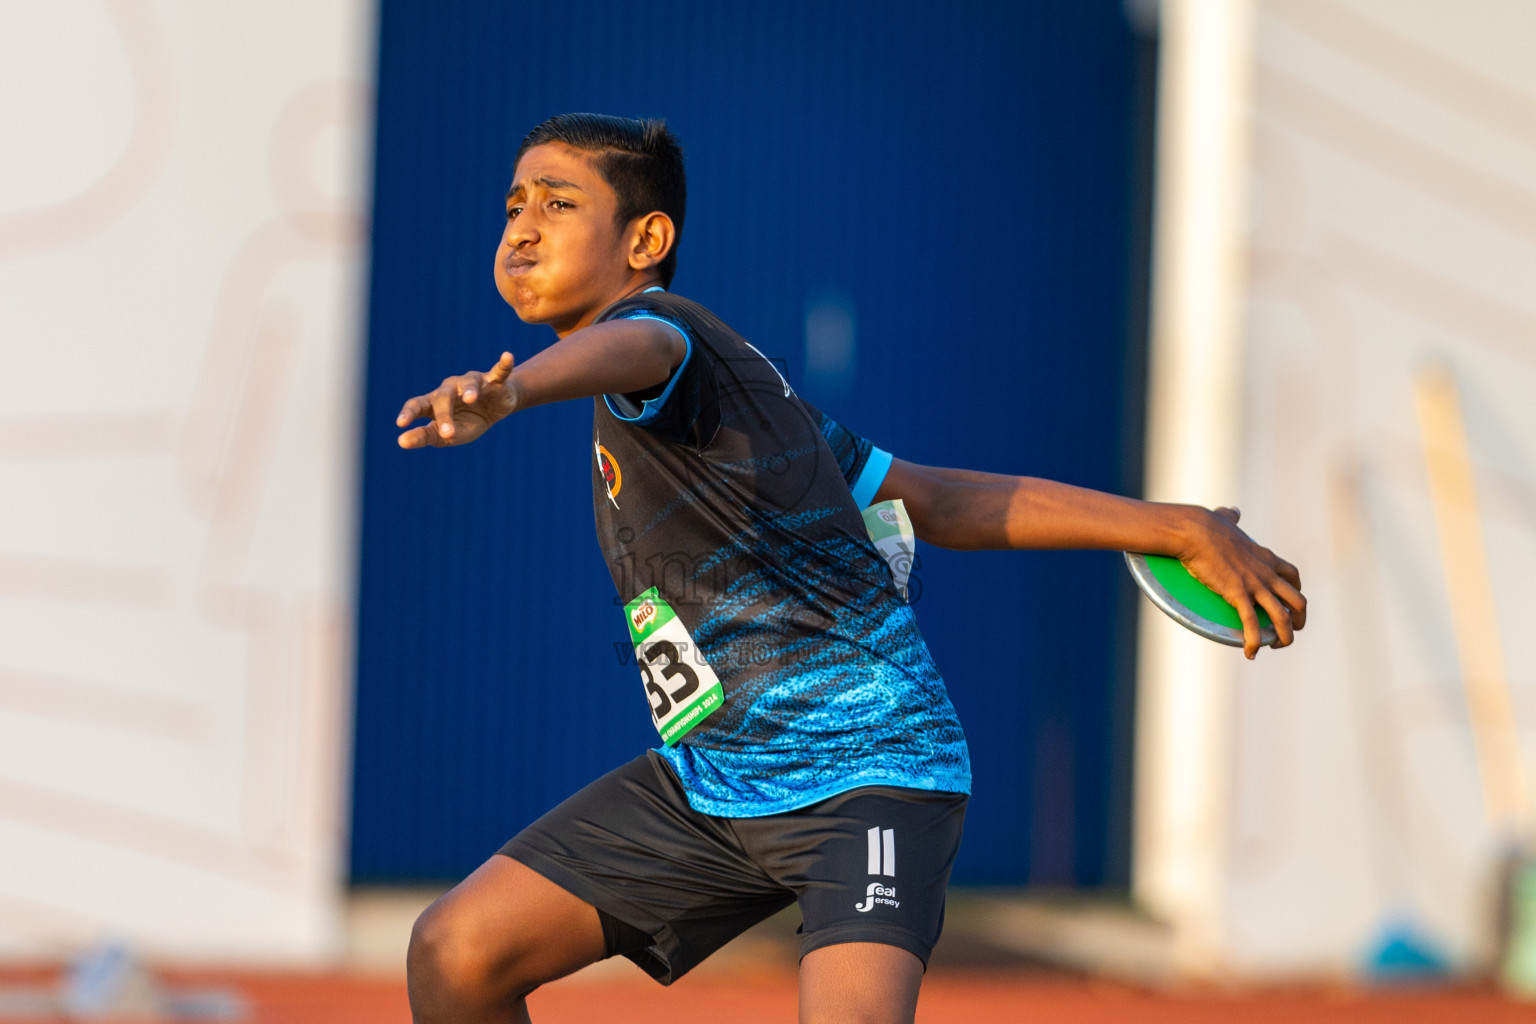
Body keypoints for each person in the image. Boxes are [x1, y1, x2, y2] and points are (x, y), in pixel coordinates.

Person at [395, 113, 1306, 1024]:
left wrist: (513, 390)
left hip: (869, 772)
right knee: (457, 952)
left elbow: (639, 347)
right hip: (717, 776)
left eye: (558, 203)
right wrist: (1166, 526)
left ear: (647, 240)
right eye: (514, 203)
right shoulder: (752, 394)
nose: (521, 226)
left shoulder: (662, 334)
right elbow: (937, 500)